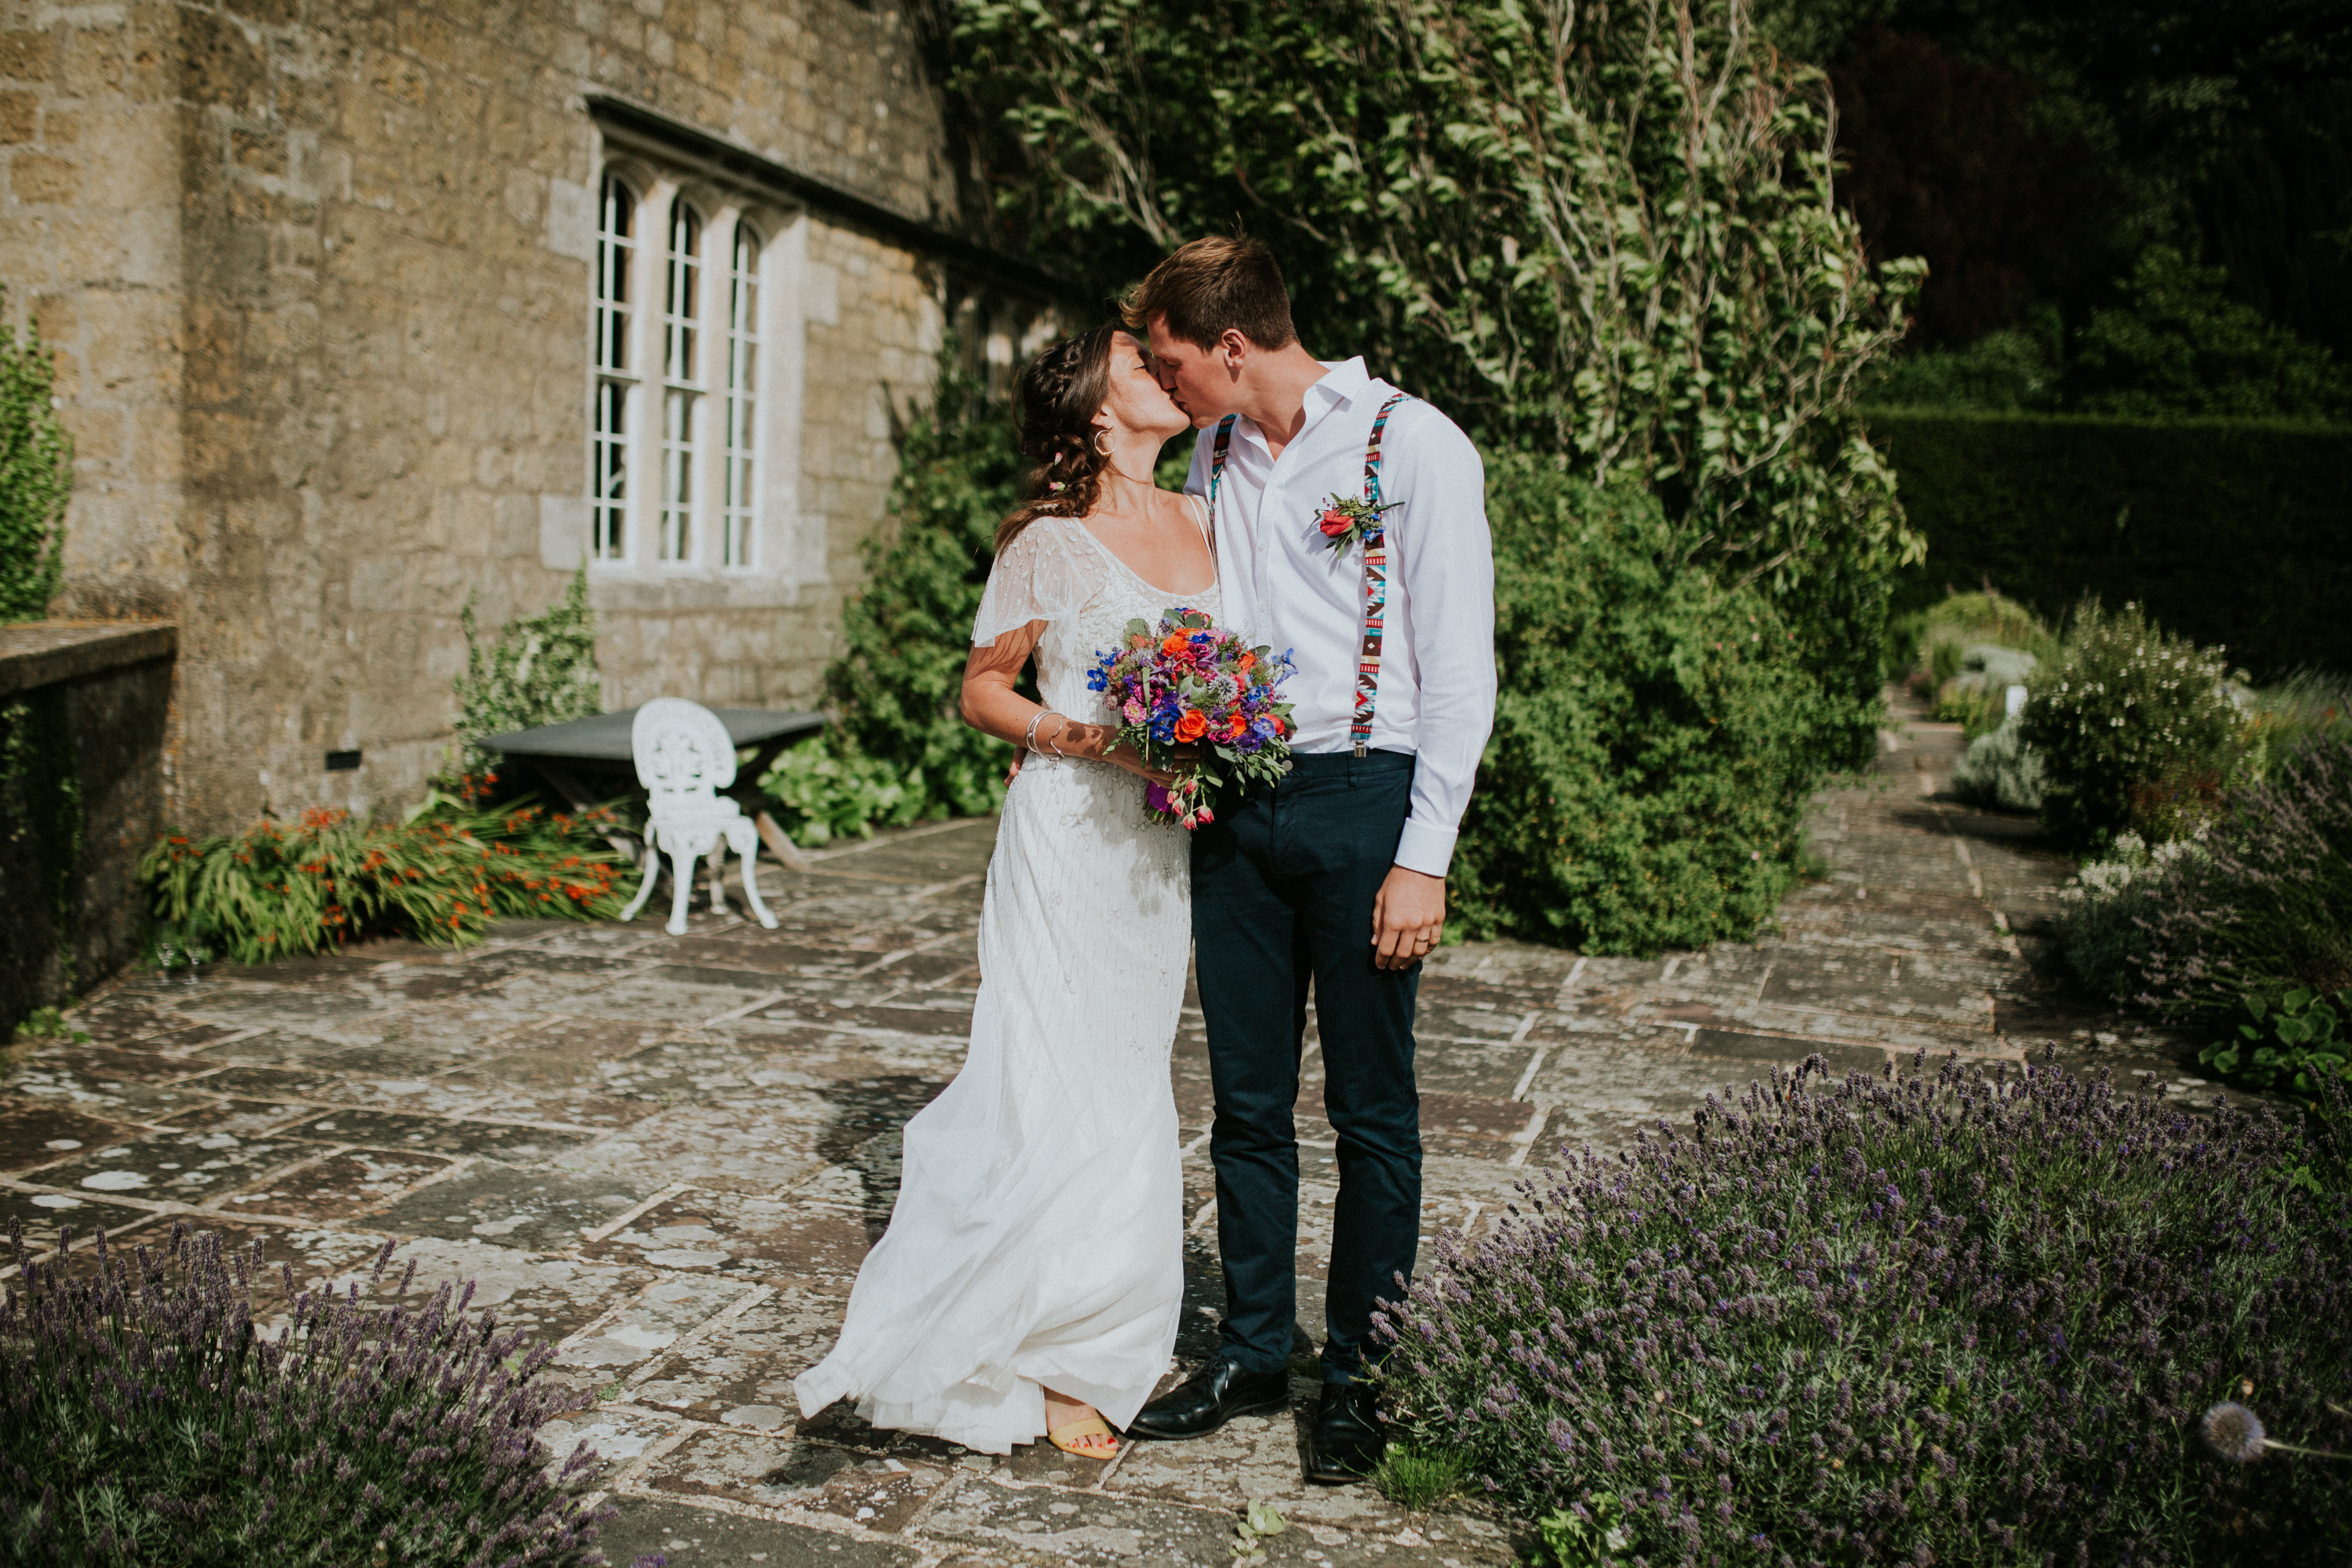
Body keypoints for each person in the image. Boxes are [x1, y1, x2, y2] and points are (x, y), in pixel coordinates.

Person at [794, 326, 1214, 1460]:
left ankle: (1095, 1322)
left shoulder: (1209, 517)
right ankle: (1043, 1352)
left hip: (1161, 851)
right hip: (1072, 832)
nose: (1161, 374)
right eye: (1137, 364)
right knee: (1046, 1074)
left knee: (1128, 1077)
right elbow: (983, 690)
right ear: (1093, 413)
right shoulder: (1048, 544)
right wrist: (1096, 739)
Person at [1122, 237, 1497, 1483]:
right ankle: (1254, 1350)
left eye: (1176, 363)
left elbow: (1461, 668)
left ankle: (1363, 1377)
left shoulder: (1414, 445)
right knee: (1245, 1101)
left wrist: (1424, 855)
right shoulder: (1220, 451)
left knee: (1374, 1113)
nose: (1169, 388)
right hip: (1238, 804)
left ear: (1234, 347)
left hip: (1361, 800)